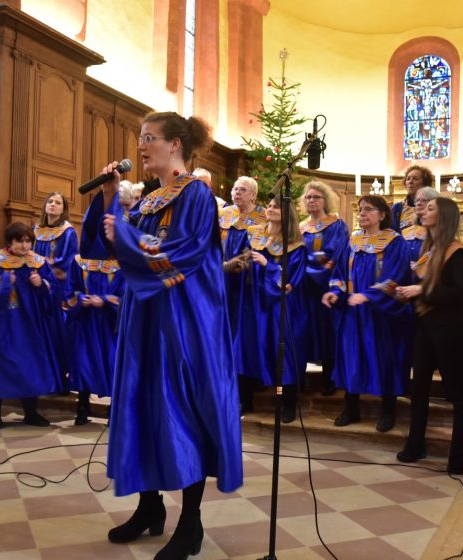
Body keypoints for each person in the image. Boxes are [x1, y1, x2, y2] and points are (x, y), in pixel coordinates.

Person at [84, 111, 242, 558]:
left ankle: (190, 524)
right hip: (146, 318)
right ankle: (149, 507)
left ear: (175, 145)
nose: (141, 146)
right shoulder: (151, 199)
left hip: (184, 323)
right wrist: (112, 198)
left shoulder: (196, 195)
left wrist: (129, 240)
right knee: (142, 405)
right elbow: (105, 248)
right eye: (140, 138)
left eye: (149, 138)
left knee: (182, 411)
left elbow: (184, 254)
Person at [396, 197, 463, 474]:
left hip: (447, 327)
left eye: (430, 208)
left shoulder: (458, 253)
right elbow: (426, 286)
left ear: (443, 217)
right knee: (418, 387)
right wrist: (404, 292)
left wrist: (421, 291)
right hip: (425, 324)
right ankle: (415, 445)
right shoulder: (429, 250)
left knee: (456, 390)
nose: (423, 211)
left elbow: (459, 293)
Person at [322, 195, 411, 433]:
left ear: (382, 215)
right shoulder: (352, 241)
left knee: (383, 359)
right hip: (353, 314)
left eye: (368, 210)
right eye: (360, 209)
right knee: (352, 358)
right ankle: (351, 408)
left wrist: (369, 295)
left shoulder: (394, 242)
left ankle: (388, 410)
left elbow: (397, 276)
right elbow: (339, 273)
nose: (362, 213)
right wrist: (335, 292)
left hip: (380, 316)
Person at [0, 222, 66, 429]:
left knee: (30, 365)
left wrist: (41, 284)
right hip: (0, 324)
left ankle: (31, 413)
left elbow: (55, 290)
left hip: (30, 324)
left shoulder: (38, 263)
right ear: (9, 242)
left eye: (28, 241)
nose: (25, 246)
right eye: (20, 241)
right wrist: (0, 279)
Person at [238, 196, 307, 423]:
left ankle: (287, 403)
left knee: (282, 353)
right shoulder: (254, 234)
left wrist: (269, 267)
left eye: (276, 206)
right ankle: (244, 401)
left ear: (288, 213)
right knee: (247, 349)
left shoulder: (295, 245)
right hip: (252, 302)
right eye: (269, 205)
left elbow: (291, 281)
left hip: (280, 307)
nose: (270, 209)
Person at [219, 176, 266, 413]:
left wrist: (238, 263)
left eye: (243, 189)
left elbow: (258, 249)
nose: (237, 192)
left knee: (242, 339)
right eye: (235, 188)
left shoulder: (262, 217)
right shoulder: (224, 214)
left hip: (245, 287)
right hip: (221, 283)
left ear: (253, 195)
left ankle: (244, 397)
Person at [299, 180, 349, 396]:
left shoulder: (336, 225)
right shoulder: (299, 227)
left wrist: (310, 269)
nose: (311, 200)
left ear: (325, 200)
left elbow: (336, 256)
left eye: (316, 197)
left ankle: (330, 379)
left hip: (326, 288)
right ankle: (299, 380)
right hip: (302, 288)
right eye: (308, 197)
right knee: (303, 330)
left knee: (329, 332)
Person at [64, 250, 124, 425]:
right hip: (86, 322)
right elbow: (70, 290)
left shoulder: (121, 262)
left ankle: (114, 409)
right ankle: (82, 407)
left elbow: (127, 294)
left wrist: (105, 300)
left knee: (112, 364)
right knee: (83, 364)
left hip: (110, 324)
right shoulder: (78, 261)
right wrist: (81, 298)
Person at [33, 192, 79, 293]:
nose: (53, 204)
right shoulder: (36, 229)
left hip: (55, 282)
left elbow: (67, 261)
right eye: (50, 201)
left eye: (58, 203)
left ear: (63, 210)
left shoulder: (67, 232)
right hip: (34, 278)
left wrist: (44, 273)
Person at [401, 186, 440, 270]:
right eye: (417, 200)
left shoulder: (438, 232)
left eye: (424, 200)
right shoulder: (406, 231)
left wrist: (420, 266)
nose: (418, 203)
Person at [391, 165, 434, 235]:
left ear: (425, 184)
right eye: (408, 179)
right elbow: (392, 234)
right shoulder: (397, 208)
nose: (410, 182)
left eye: (416, 179)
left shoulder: (433, 207)